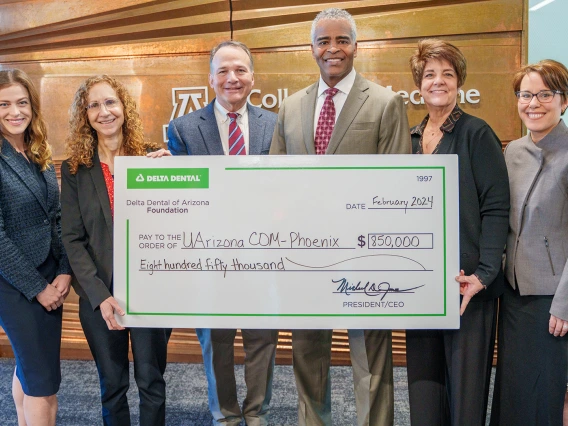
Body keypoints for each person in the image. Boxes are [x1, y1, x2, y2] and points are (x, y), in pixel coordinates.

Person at [270, 8, 411, 426]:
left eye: (342, 40)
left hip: (365, 258)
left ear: (356, 46)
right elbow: (276, 183)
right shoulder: (291, 106)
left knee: (371, 365)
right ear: (311, 49)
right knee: (307, 359)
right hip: (305, 259)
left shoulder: (385, 103)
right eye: (324, 41)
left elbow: (397, 184)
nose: (333, 49)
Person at [168, 41, 279, 426]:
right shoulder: (182, 129)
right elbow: (177, 198)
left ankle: (257, 412)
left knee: (262, 338)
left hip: (264, 255)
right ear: (211, 78)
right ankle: (227, 416)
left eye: (240, 70)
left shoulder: (274, 124)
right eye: (223, 71)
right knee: (215, 342)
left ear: (253, 77)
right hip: (207, 257)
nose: (232, 78)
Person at [404, 39, 510, 426]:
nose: (438, 81)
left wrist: (483, 275)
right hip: (420, 288)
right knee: (425, 399)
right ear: (419, 84)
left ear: (459, 81)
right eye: (430, 74)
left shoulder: (476, 134)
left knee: (465, 406)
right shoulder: (409, 140)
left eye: (447, 74)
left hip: (468, 289)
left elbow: (497, 209)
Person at [60, 75, 171, 426]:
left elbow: (175, 225)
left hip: (151, 292)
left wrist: (171, 177)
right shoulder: (75, 169)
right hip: (101, 297)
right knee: (112, 385)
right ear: (84, 116)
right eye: (93, 105)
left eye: (110, 102)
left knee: (152, 383)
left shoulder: (152, 158)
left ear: (124, 108)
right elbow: (73, 239)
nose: (103, 112)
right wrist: (100, 295)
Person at [490, 59, 568, 426]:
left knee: (543, 392)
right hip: (513, 292)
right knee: (512, 388)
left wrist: (566, 304)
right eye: (525, 95)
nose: (533, 103)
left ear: (563, 100)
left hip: (552, 299)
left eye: (544, 94)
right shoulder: (513, 151)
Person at [0, 69, 72, 426]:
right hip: (15, 285)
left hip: (47, 273)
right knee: (43, 385)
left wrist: (63, 270)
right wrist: (38, 288)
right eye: (4, 104)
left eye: (22, 102)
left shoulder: (36, 149)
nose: (15, 111)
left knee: (28, 368)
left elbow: (54, 217)